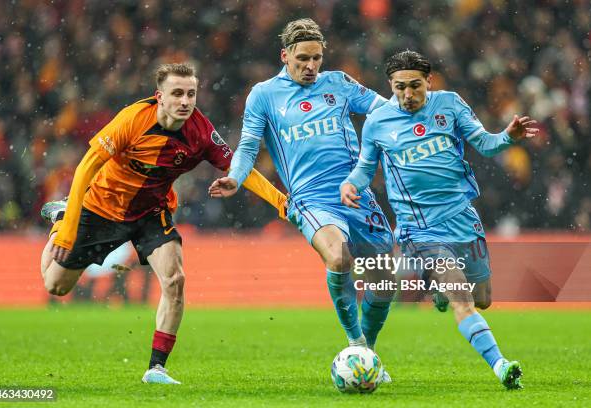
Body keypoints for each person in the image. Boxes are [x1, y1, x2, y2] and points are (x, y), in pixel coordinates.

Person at [40, 62, 287, 384]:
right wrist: (69, 226)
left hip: (150, 213)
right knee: (55, 286)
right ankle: (59, 218)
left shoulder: (200, 132)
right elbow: (87, 167)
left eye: (191, 94)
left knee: (175, 279)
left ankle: (156, 368)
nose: (185, 101)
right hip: (100, 208)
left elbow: (240, 166)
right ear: (160, 96)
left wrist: (280, 201)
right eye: (177, 94)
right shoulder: (132, 119)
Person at [341, 50, 538, 390]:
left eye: (414, 86)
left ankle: (440, 292)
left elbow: (485, 144)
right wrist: (350, 184)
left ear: (428, 82)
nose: (407, 94)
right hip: (419, 230)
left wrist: (508, 137)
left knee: (482, 299)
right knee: (461, 296)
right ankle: (501, 365)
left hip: (462, 219)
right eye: (399, 87)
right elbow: (364, 167)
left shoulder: (449, 105)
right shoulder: (378, 121)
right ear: (390, 85)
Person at [208, 18, 395, 370]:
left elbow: (384, 110)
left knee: (385, 281)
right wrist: (235, 177)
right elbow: (248, 146)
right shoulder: (264, 95)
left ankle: (365, 354)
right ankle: (354, 342)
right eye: (302, 59)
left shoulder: (338, 83)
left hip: (356, 194)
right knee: (339, 258)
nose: (311, 66)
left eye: (317, 58)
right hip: (310, 198)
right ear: (285, 55)